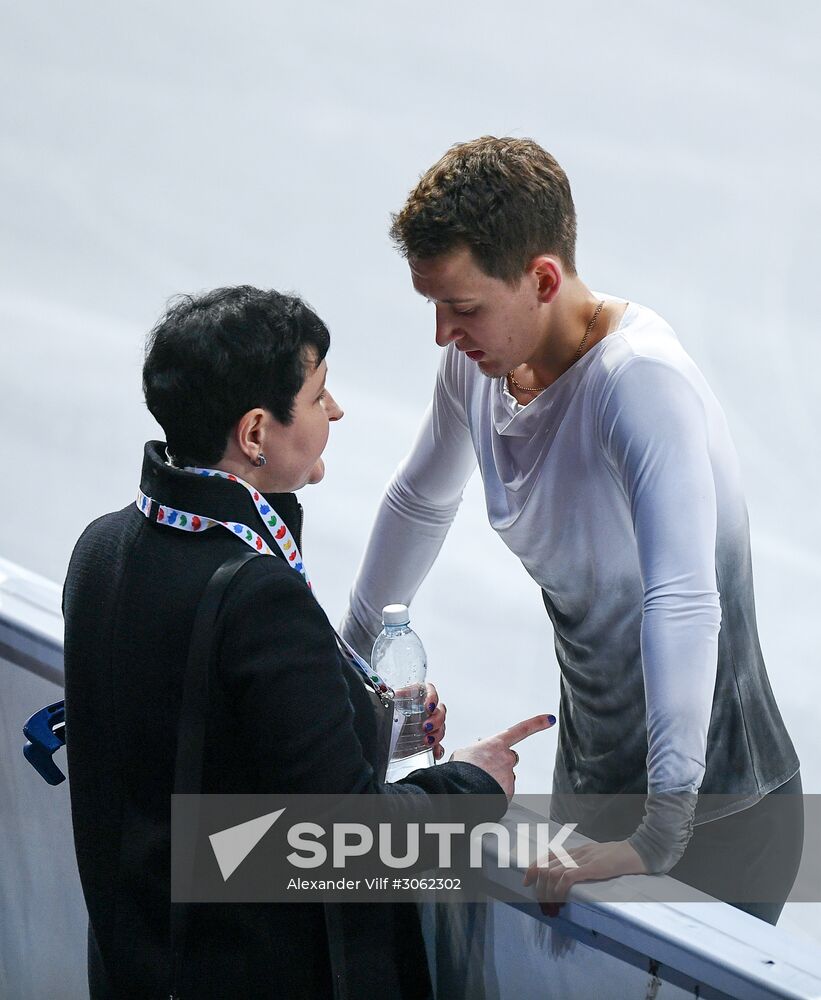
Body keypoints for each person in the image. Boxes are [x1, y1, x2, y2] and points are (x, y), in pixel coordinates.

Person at [340, 137, 803, 923]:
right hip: (596, 801)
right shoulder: (480, 364)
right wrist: (344, 672)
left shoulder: (638, 385)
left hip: (713, 814)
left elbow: (683, 601)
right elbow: (421, 499)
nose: (443, 334)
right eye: (435, 308)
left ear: (542, 279)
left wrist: (658, 834)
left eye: (463, 307)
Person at [62, 285, 553, 999]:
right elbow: (351, 841)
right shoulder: (254, 592)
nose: (336, 410)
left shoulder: (102, 549)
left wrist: (356, 710)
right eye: (319, 394)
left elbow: (210, 753)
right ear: (256, 432)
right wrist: (471, 782)